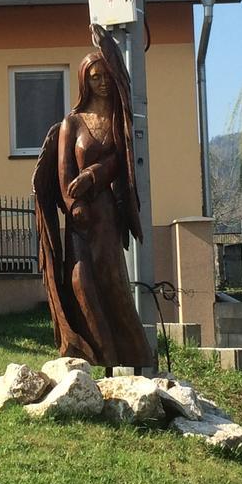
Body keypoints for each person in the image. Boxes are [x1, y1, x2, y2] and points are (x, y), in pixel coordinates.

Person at [33, 26, 154, 369]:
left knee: (112, 281)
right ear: (84, 81)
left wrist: (93, 176)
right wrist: (75, 205)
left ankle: (131, 354)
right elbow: (62, 170)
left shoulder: (117, 121)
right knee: (79, 281)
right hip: (80, 218)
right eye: (94, 76)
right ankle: (93, 352)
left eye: (105, 76)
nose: (101, 82)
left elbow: (120, 161)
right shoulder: (72, 122)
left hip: (106, 216)